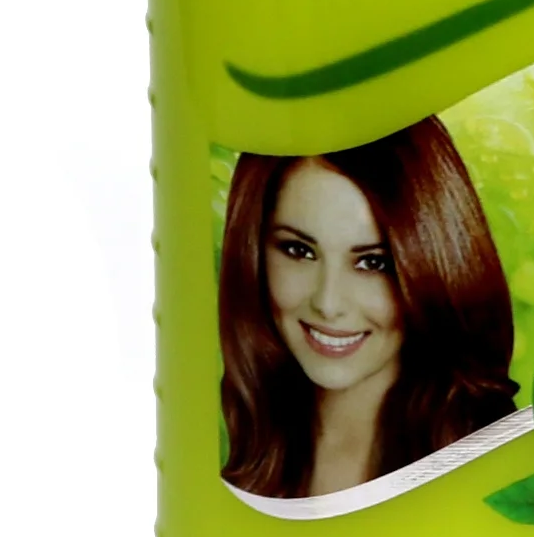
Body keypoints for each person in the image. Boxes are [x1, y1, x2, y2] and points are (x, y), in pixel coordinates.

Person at [218, 119, 517, 499]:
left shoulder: (498, 462)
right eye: (299, 251)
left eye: (373, 263)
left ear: (435, 266)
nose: (328, 304)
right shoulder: (234, 443)